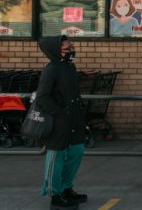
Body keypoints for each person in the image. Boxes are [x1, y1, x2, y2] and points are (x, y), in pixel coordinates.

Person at [35, 36, 88, 209]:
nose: (72, 48)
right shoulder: (51, 70)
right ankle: (55, 193)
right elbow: (42, 97)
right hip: (59, 122)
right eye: (67, 47)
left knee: (75, 153)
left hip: (75, 121)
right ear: (56, 51)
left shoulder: (69, 67)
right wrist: (60, 113)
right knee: (56, 158)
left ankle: (66, 188)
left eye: (71, 45)